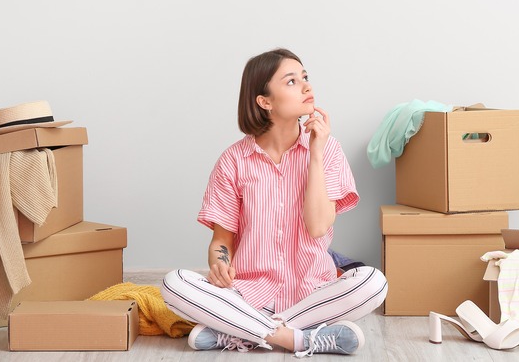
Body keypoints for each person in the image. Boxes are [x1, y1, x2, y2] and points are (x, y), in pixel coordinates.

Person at [161, 48, 387, 357]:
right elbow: (221, 240)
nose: (307, 87)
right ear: (265, 101)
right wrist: (219, 264)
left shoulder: (328, 151)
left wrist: (316, 154)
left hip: (313, 296)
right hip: (249, 293)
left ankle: (239, 332)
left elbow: (318, 226)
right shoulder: (233, 161)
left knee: (374, 283)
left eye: (305, 77)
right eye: (292, 81)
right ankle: (300, 339)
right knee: (174, 283)